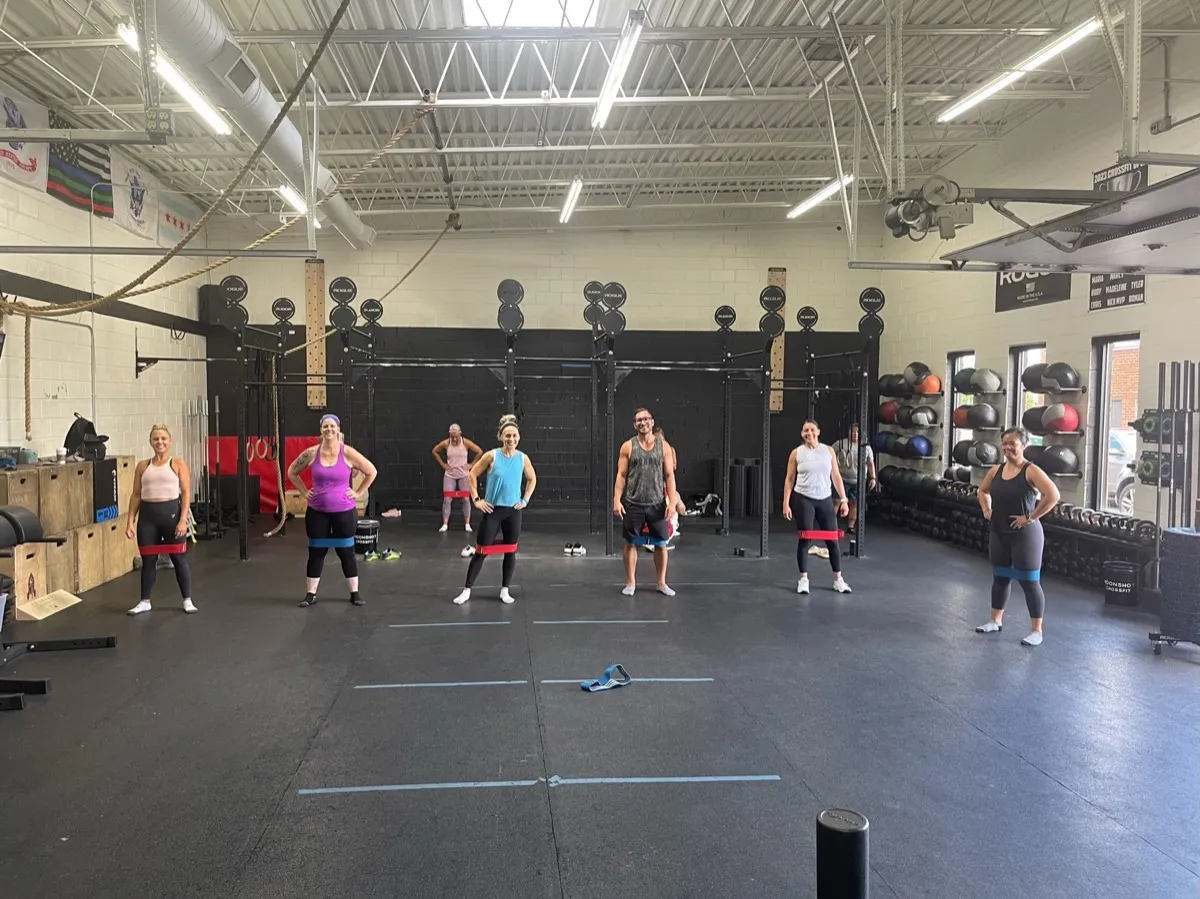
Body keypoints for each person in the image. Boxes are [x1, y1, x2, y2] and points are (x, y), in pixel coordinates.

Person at [975, 426, 1060, 646]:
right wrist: (986, 509)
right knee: (1000, 578)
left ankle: (1037, 631)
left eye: (1012, 443)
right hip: (999, 531)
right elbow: (982, 491)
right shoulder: (996, 470)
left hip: (1025, 535)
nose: (1007, 447)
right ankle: (995, 620)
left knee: (1029, 582)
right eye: (1004, 443)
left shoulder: (1031, 471)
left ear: (1023, 445)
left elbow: (1053, 495)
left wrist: (1031, 517)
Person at [288, 414, 377, 608]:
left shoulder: (348, 453)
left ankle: (354, 593)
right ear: (321, 430)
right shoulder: (312, 453)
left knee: (346, 551)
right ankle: (310, 595)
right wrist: (304, 491)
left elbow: (371, 471)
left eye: (332, 426)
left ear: (338, 429)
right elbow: (292, 472)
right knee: (316, 551)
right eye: (325, 426)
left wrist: (358, 492)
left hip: (344, 512)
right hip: (317, 512)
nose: (329, 429)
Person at [453, 414, 537, 605]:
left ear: (519, 437)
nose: (511, 439)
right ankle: (467, 590)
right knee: (482, 550)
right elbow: (472, 475)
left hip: (513, 512)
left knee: (510, 550)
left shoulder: (523, 458)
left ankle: (505, 590)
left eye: (514, 436)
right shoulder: (492, 455)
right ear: (501, 437)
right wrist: (476, 500)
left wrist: (525, 499)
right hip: (492, 511)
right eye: (507, 436)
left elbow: (532, 479)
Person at [125, 425, 196, 615]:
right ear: (150, 442)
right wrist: (130, 521)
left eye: (163, 438)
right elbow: (136, 495)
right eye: (156, 439)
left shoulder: (178, 464)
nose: (160, 442)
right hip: (148, 519)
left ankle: (187, 600)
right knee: (148, 561)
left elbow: (186, 493)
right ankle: (145, 601)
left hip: (172, 517)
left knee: (178, 558)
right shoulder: (143, 466)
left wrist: (183, 520)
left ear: (170, 441)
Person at [613, 408, 680, 596]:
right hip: (633, 503)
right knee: (631, 543)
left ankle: (661, 583)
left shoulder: (664, 447)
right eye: (638, 420)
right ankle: (630, 583)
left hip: (657, 503)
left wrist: (672, 504)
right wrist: (616, 500)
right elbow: (621, 475)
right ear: (635, 425)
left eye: (645, 419)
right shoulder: (628, 446)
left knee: (661, 544)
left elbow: (669, 476)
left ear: (652, 422)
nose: (642, 422)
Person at [782, 419, 852, 595]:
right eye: (806, 430)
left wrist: (844, 500)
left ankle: (838, 580)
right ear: (802, 434)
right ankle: (803, 580)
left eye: (812, 430)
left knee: (832, 541)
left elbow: (836, 476)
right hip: (803, 499)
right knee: (805, 539)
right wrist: (785, 503)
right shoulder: (796, 453)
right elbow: (789, 479)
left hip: (824, 499)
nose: (809, 433)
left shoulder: (828, 451)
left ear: (818, 432)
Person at [432, 424, 482, 533]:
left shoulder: (466, 443)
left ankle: (467, 524)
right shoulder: (446, 443)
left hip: (464, 475)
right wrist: (443, 465)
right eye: (452, 436)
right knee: (447, 500)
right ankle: (445, 524)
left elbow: (479, 452)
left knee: (466, 499)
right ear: (449, 435)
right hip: (450, 475)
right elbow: (434, 451)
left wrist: (471, 465)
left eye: (456, 436)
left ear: (460, 433)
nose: (454, 439)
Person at [833, 422, 876, 533]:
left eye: (857, 432)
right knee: (837, 502)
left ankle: (851, 526)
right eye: (853, 432)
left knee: (854, 504)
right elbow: (830, 456)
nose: (855, 434)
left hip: (858, 481)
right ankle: (831, 526)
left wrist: (873, 478)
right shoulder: (840, 444)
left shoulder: (866, 447)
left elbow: (870, 463)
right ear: (849, 432)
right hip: (841, 480)